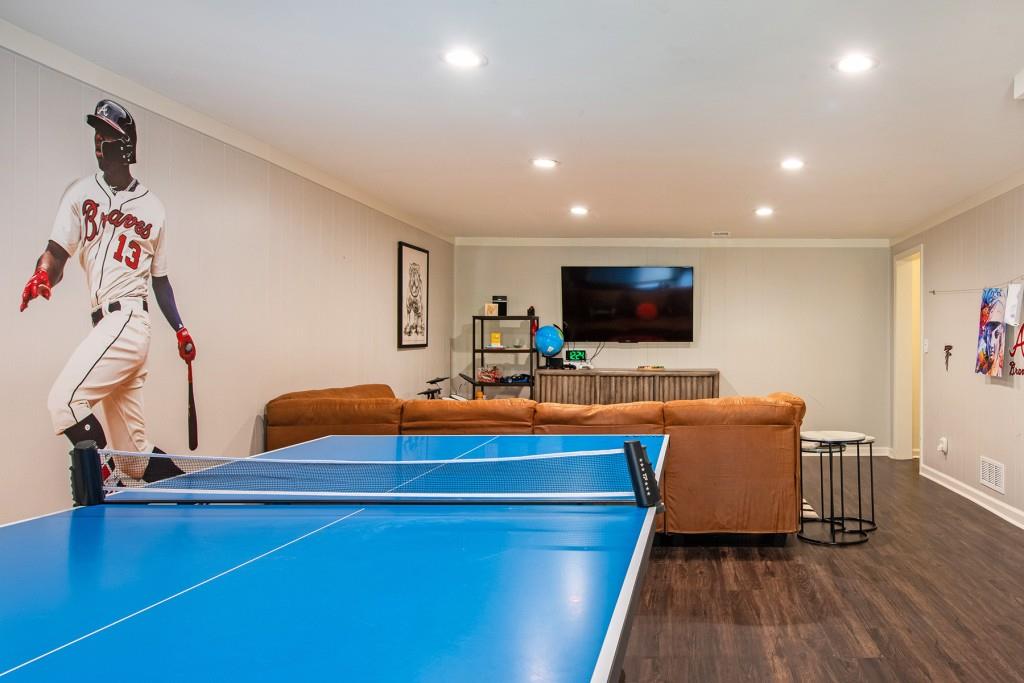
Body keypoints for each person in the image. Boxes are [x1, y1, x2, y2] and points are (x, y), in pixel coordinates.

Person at [19, 99, 195, 483]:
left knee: (64, 403)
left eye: (108, 136)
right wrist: (43, 276)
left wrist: (180, 328)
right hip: (108, 325)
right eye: (96, 135)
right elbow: (56, 254)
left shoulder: (154, 207)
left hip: (130, 319)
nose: (99, 143)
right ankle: (193, 493)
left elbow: (159, 279)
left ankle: (107, 476)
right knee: (136, 458)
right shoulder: (81, 193)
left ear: (127, 145)